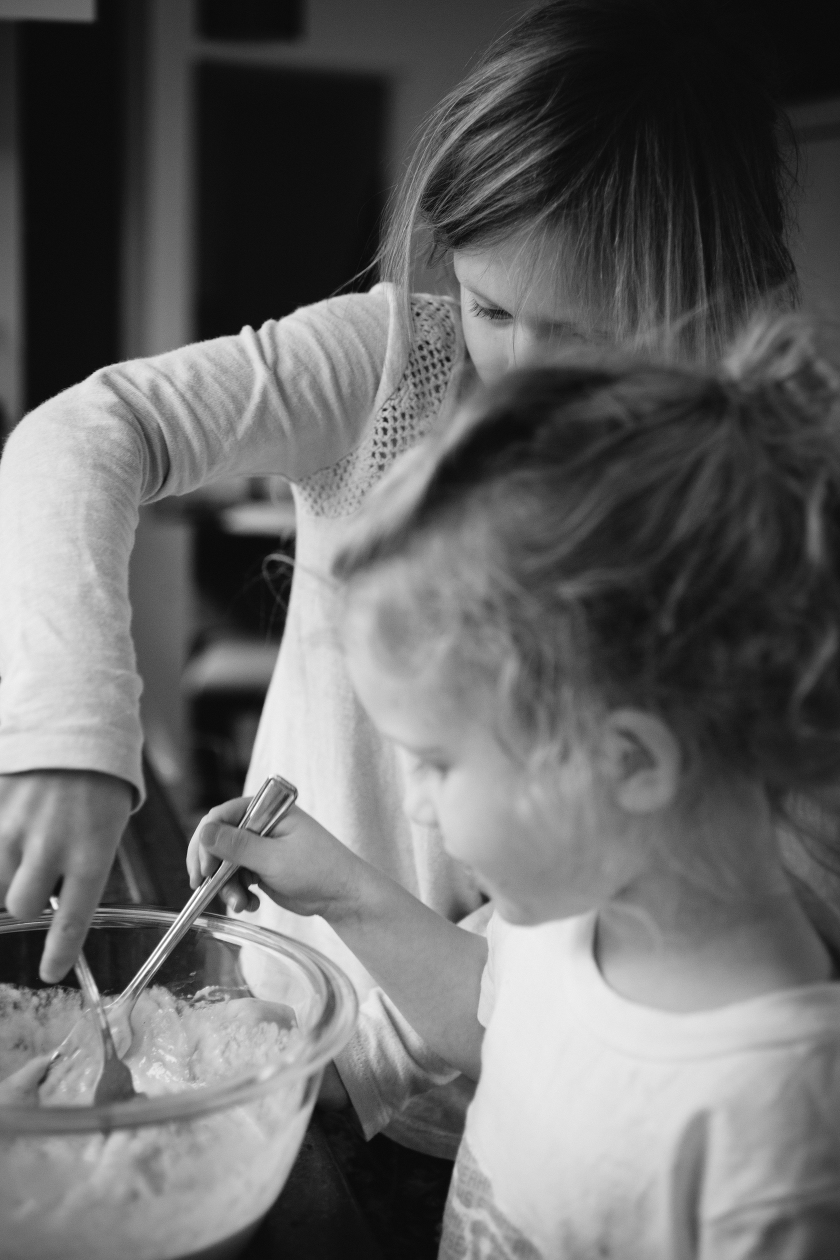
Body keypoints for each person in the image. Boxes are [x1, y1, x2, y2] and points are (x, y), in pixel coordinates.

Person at [0, 0, 800, 1152]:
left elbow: (565, 959)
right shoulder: (399, 365)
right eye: (490, 308)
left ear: (711, 310)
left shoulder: (723, 544)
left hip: (517, 1114)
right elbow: (80, 434)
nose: (514, 371)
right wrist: (71, 728)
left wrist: (341, 1069)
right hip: (283, 1035)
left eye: (581, 335)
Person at [192, 316, 840, 1257]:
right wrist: (340, 888)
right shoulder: (579, 916)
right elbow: (495, 1020)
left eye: (440, 764)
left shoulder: (777, 1130)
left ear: (628, 763)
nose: (416, 803)